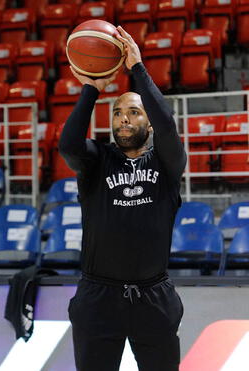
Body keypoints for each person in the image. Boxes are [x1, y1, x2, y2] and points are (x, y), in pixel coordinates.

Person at [60, 26, 186, 370]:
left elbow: (168, 126)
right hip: (98, 298)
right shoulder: (96, 160)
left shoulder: (167, 162)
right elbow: (68, 145)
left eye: (133, 111)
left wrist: (137, 69)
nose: (124, 119)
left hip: (154, 297)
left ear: (147, 119)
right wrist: (91, 88)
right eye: (117, 113)